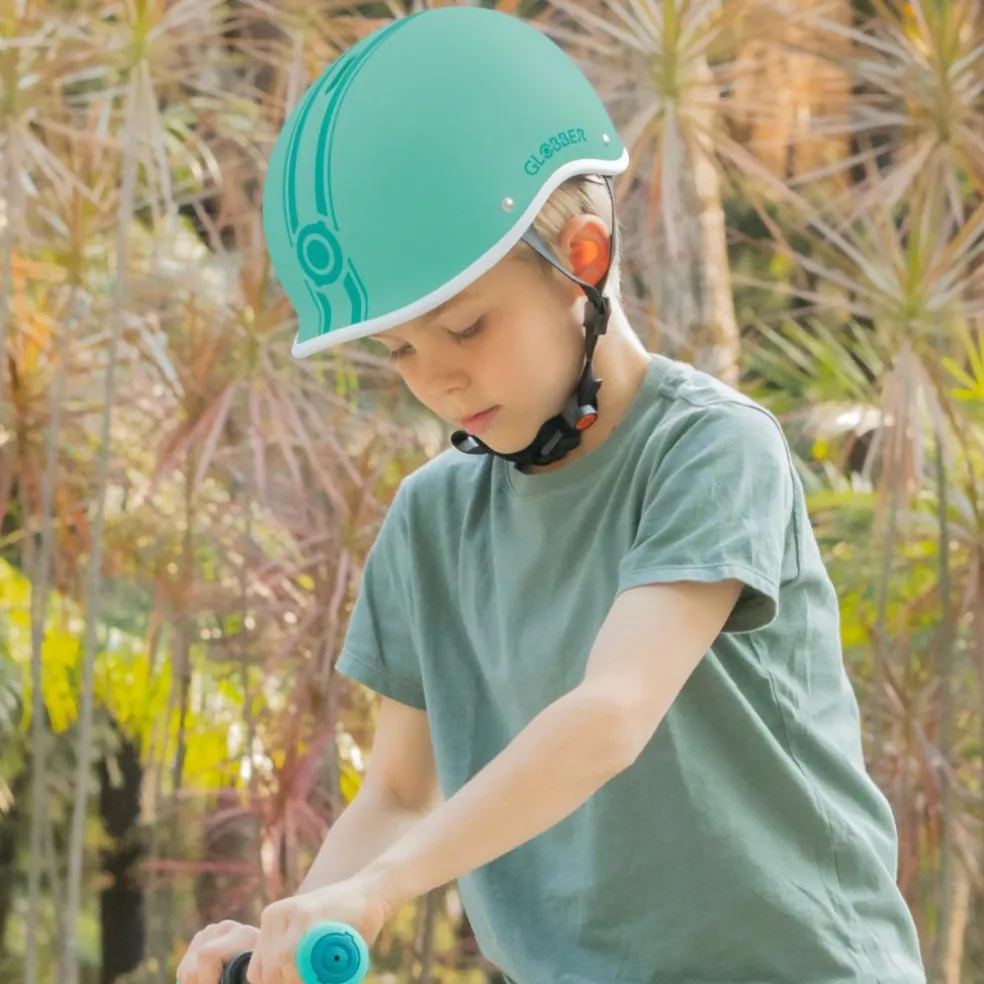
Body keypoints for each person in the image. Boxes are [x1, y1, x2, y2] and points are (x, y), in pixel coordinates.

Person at [176, 7, 927, 984]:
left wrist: (383, 889)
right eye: (400, 350)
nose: (437, 378)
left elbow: (612, 712)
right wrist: (296, 932)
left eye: (467, 328)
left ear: (583, 256)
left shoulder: (709, 452)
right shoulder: (432, 523)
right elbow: (400, 793)